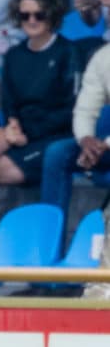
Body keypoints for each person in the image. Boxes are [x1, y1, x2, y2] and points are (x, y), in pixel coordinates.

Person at [0, 0, 78, 247]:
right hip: (22, 132)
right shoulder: (14, 54)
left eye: (39, 15)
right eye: (25, 16)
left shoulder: (69, 52)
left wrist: (27, 132)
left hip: (55, 137)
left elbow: (72, 110)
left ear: (52, 16)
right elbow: (10, 101)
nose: (31, 21)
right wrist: (12, 124)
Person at [41, 43, 110, 236]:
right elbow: (85, 109)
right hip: (105, 144)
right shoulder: (104, 57)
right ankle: (49, 243)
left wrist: (105, 144)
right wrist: (87, 140)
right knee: (58, 153)